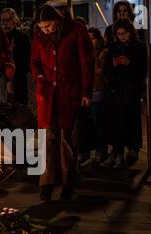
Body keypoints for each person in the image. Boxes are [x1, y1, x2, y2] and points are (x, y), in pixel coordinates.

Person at [31, 4, 94, 201]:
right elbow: (34, 60)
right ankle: (47, 182)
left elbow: (87, 62)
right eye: (42, 27)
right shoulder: (39, 35)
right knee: (48, 138)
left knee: (66, 138)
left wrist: (86, 91)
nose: (46, 30)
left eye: (48, 26)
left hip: (69, 92)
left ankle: (67, 182)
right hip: (47, 94)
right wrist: (39, 76)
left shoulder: (77, 31)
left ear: (56, 21)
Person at [102, 18, 147, 169]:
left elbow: (142, 70)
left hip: (130, 91)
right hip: (115, 91)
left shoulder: (138, 47)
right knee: (114, 124)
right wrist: (113, 65)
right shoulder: (113, 46)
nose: (122, 37)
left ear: (130, 32)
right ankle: (115, 153)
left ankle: (123, 154)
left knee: (126, 123)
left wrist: (129, 64)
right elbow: (106, 71)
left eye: (124, 34)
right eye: (119, 34)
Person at [1, 8, 32, 105]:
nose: (5, 23)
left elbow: (28, 58)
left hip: (19, 78)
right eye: (3, 20)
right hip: (2, 78)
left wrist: (19, 73)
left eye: (8, 19)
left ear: (14, 20)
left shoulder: (23, 37)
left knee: (20, 106)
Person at [88, 27, 109, 163]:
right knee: (90, 124)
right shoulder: (85, 52)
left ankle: (101, 151)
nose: (90, 41)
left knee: (99, 123)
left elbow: (100, 71)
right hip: (88, 93)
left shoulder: (103, 53)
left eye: (92, 38)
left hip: (99, 91)